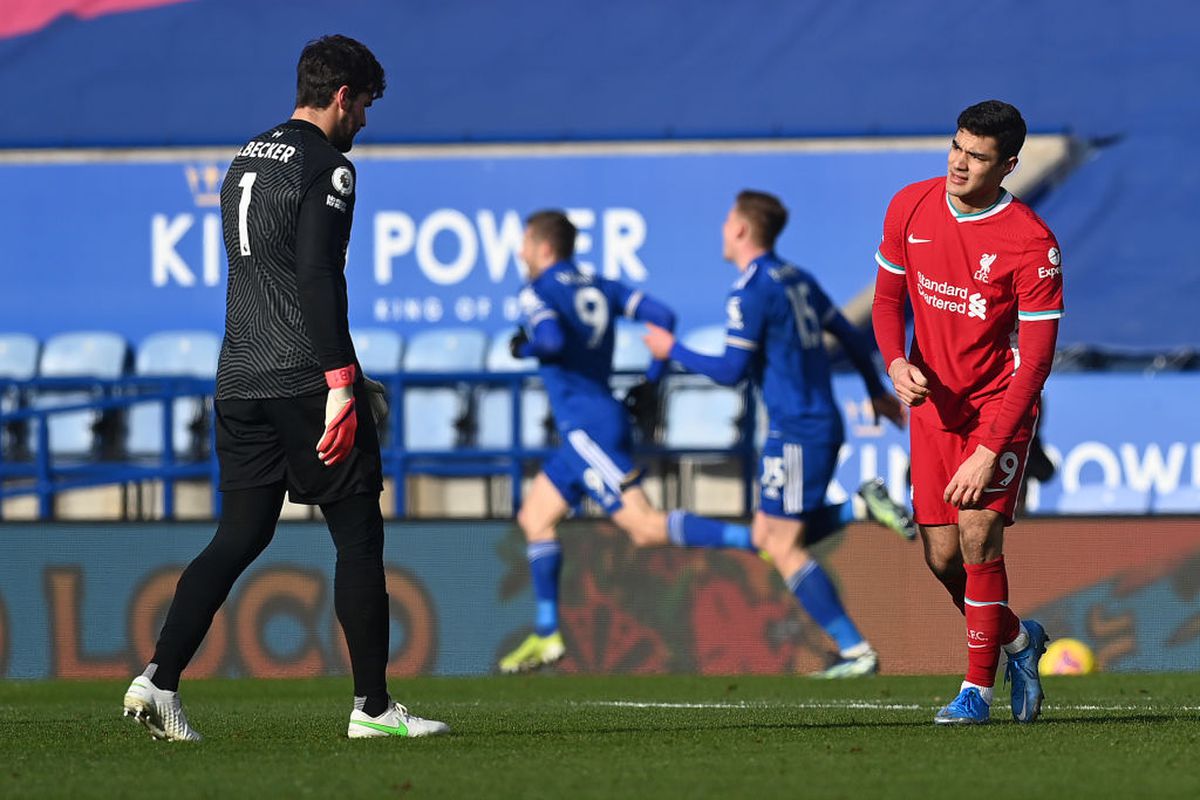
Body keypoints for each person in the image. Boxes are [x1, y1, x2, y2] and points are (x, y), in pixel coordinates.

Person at [122, 35, 448, 741]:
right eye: (362, 106)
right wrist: (341, 381)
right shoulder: (328, 166)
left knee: (239, 534)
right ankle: (373, 709)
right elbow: (316, 276)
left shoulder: (244, 157)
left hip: (239, 375)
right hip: (304, 374)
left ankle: (159, 679)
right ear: (341, 97)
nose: (363, 121)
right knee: (358, 535)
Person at [645, 190, 914, 678]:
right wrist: (875, 390)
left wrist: (672, 349)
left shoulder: (750, 291)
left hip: (796, 431)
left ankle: (856, 651)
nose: (723, 229)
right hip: (817, 421)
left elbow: (731, 370)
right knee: (770, 534)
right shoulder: (797, 278)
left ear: (743, 229)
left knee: (782, 546)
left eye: (728, 220)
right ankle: (859, 508)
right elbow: (853, 336)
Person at [498, 210, 760, 674]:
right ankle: (546, 633)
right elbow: (663, 315)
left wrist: (525, 347)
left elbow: (552, 340)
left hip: (586, 429)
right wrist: (651, 381)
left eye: (523, 243)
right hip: (590, 425)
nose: (519, 252)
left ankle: (754, 539)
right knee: (535, 516)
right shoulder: (600, 284)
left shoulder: (538, 290)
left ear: (542, 247)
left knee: (643, 527)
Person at [871, 100, 1063, 724]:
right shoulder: (910, 205)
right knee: (942, 558)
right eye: (956, 147)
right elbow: (885, 301)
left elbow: (1034, 363)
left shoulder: (1032, 244)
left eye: (977, 156)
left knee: (978, 536)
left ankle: (975, 691)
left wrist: (989, 450)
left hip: (996, 408)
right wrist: (895, 363)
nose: (959, 162)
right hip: (931, 408)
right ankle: (1017, 640)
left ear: (1007, 165)